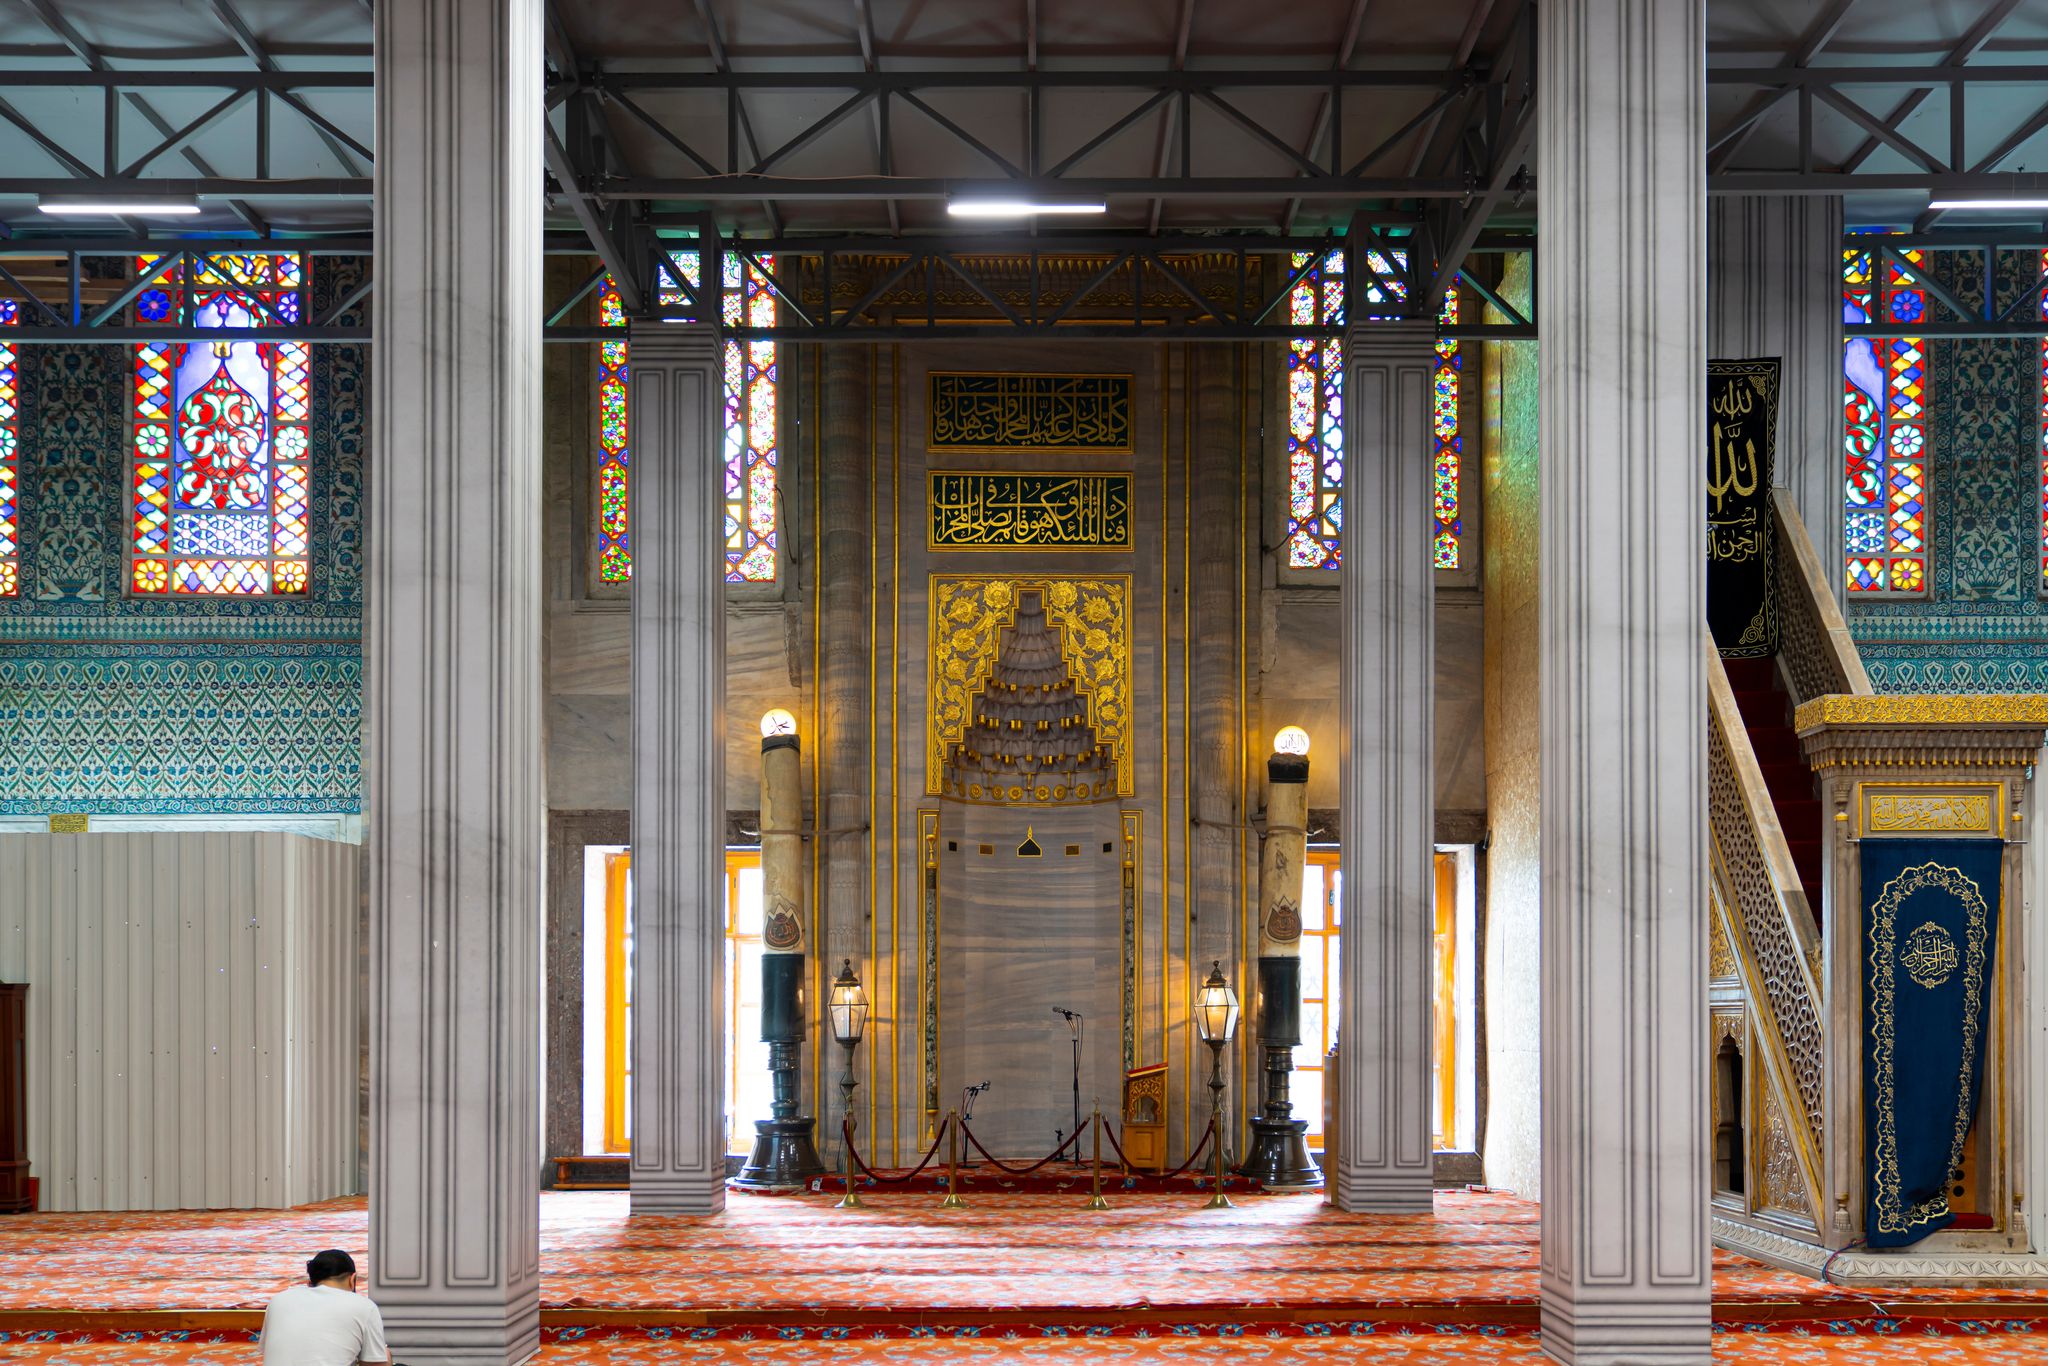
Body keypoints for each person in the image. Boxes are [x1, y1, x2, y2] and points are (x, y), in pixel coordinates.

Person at [259, 1249, 390, 1365]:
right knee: (383, 1354)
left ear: (310, 1282)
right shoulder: (365, 1306)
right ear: (352, 1279)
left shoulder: (279, 1299)